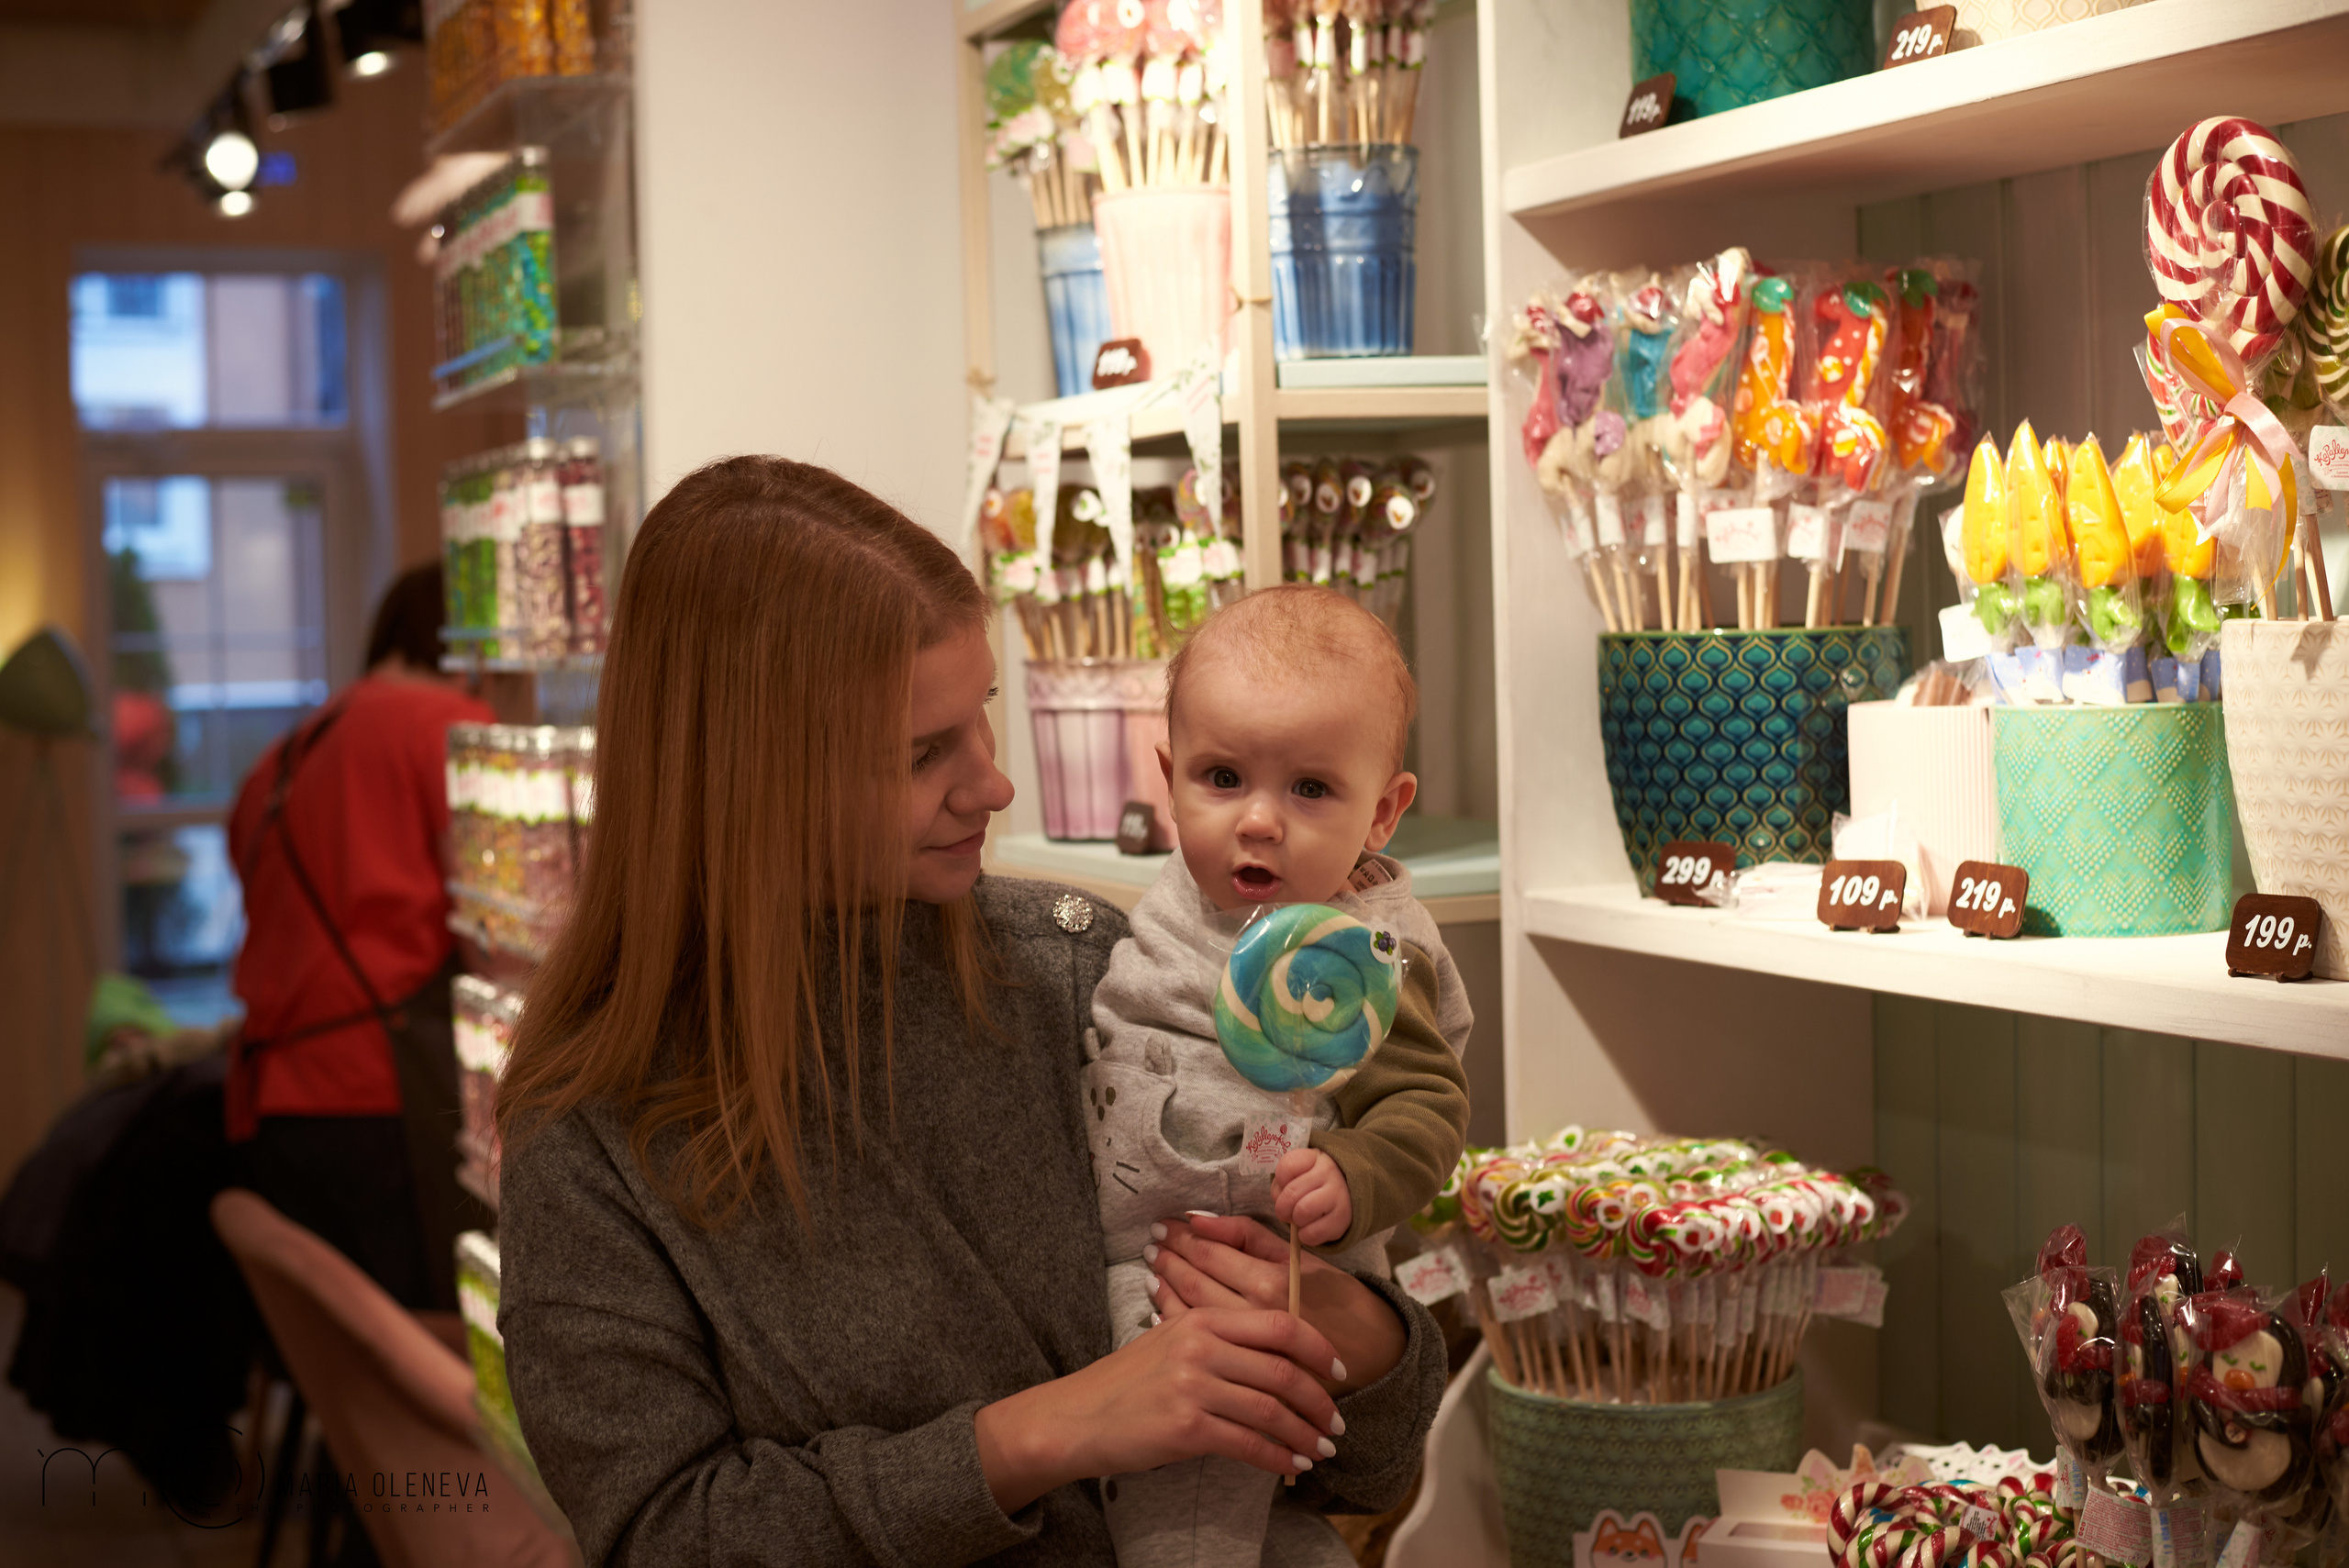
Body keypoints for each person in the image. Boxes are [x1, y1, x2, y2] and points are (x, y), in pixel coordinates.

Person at [495, 457, 1449, 1566]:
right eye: (918, 754)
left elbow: (1371, 1467)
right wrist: (1038, 1433)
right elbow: (662, 1535)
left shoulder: (1091, 968)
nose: (992, 787)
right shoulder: (592, 1127)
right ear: (747, 778)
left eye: (982, 718)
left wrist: (1356, 1330)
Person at [1089, 585, 1473, 1567]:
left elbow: (1426, 1105)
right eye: (1222, 777)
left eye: (1310, 789)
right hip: (1122, 1264)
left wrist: (1352, 1173)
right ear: (1168, 779)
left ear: (1383, 810)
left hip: (1270, 1288)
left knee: (1198, 1520)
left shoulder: (1367, 956)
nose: (1258, 821)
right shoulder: (1156, 911)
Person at [225, 562, 494, 1311]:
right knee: (429, 1342)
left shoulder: (282, 755)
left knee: (348, 1359)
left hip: (270, 1097)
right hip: (383, 1097)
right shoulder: (448, 730)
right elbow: (491, 936)